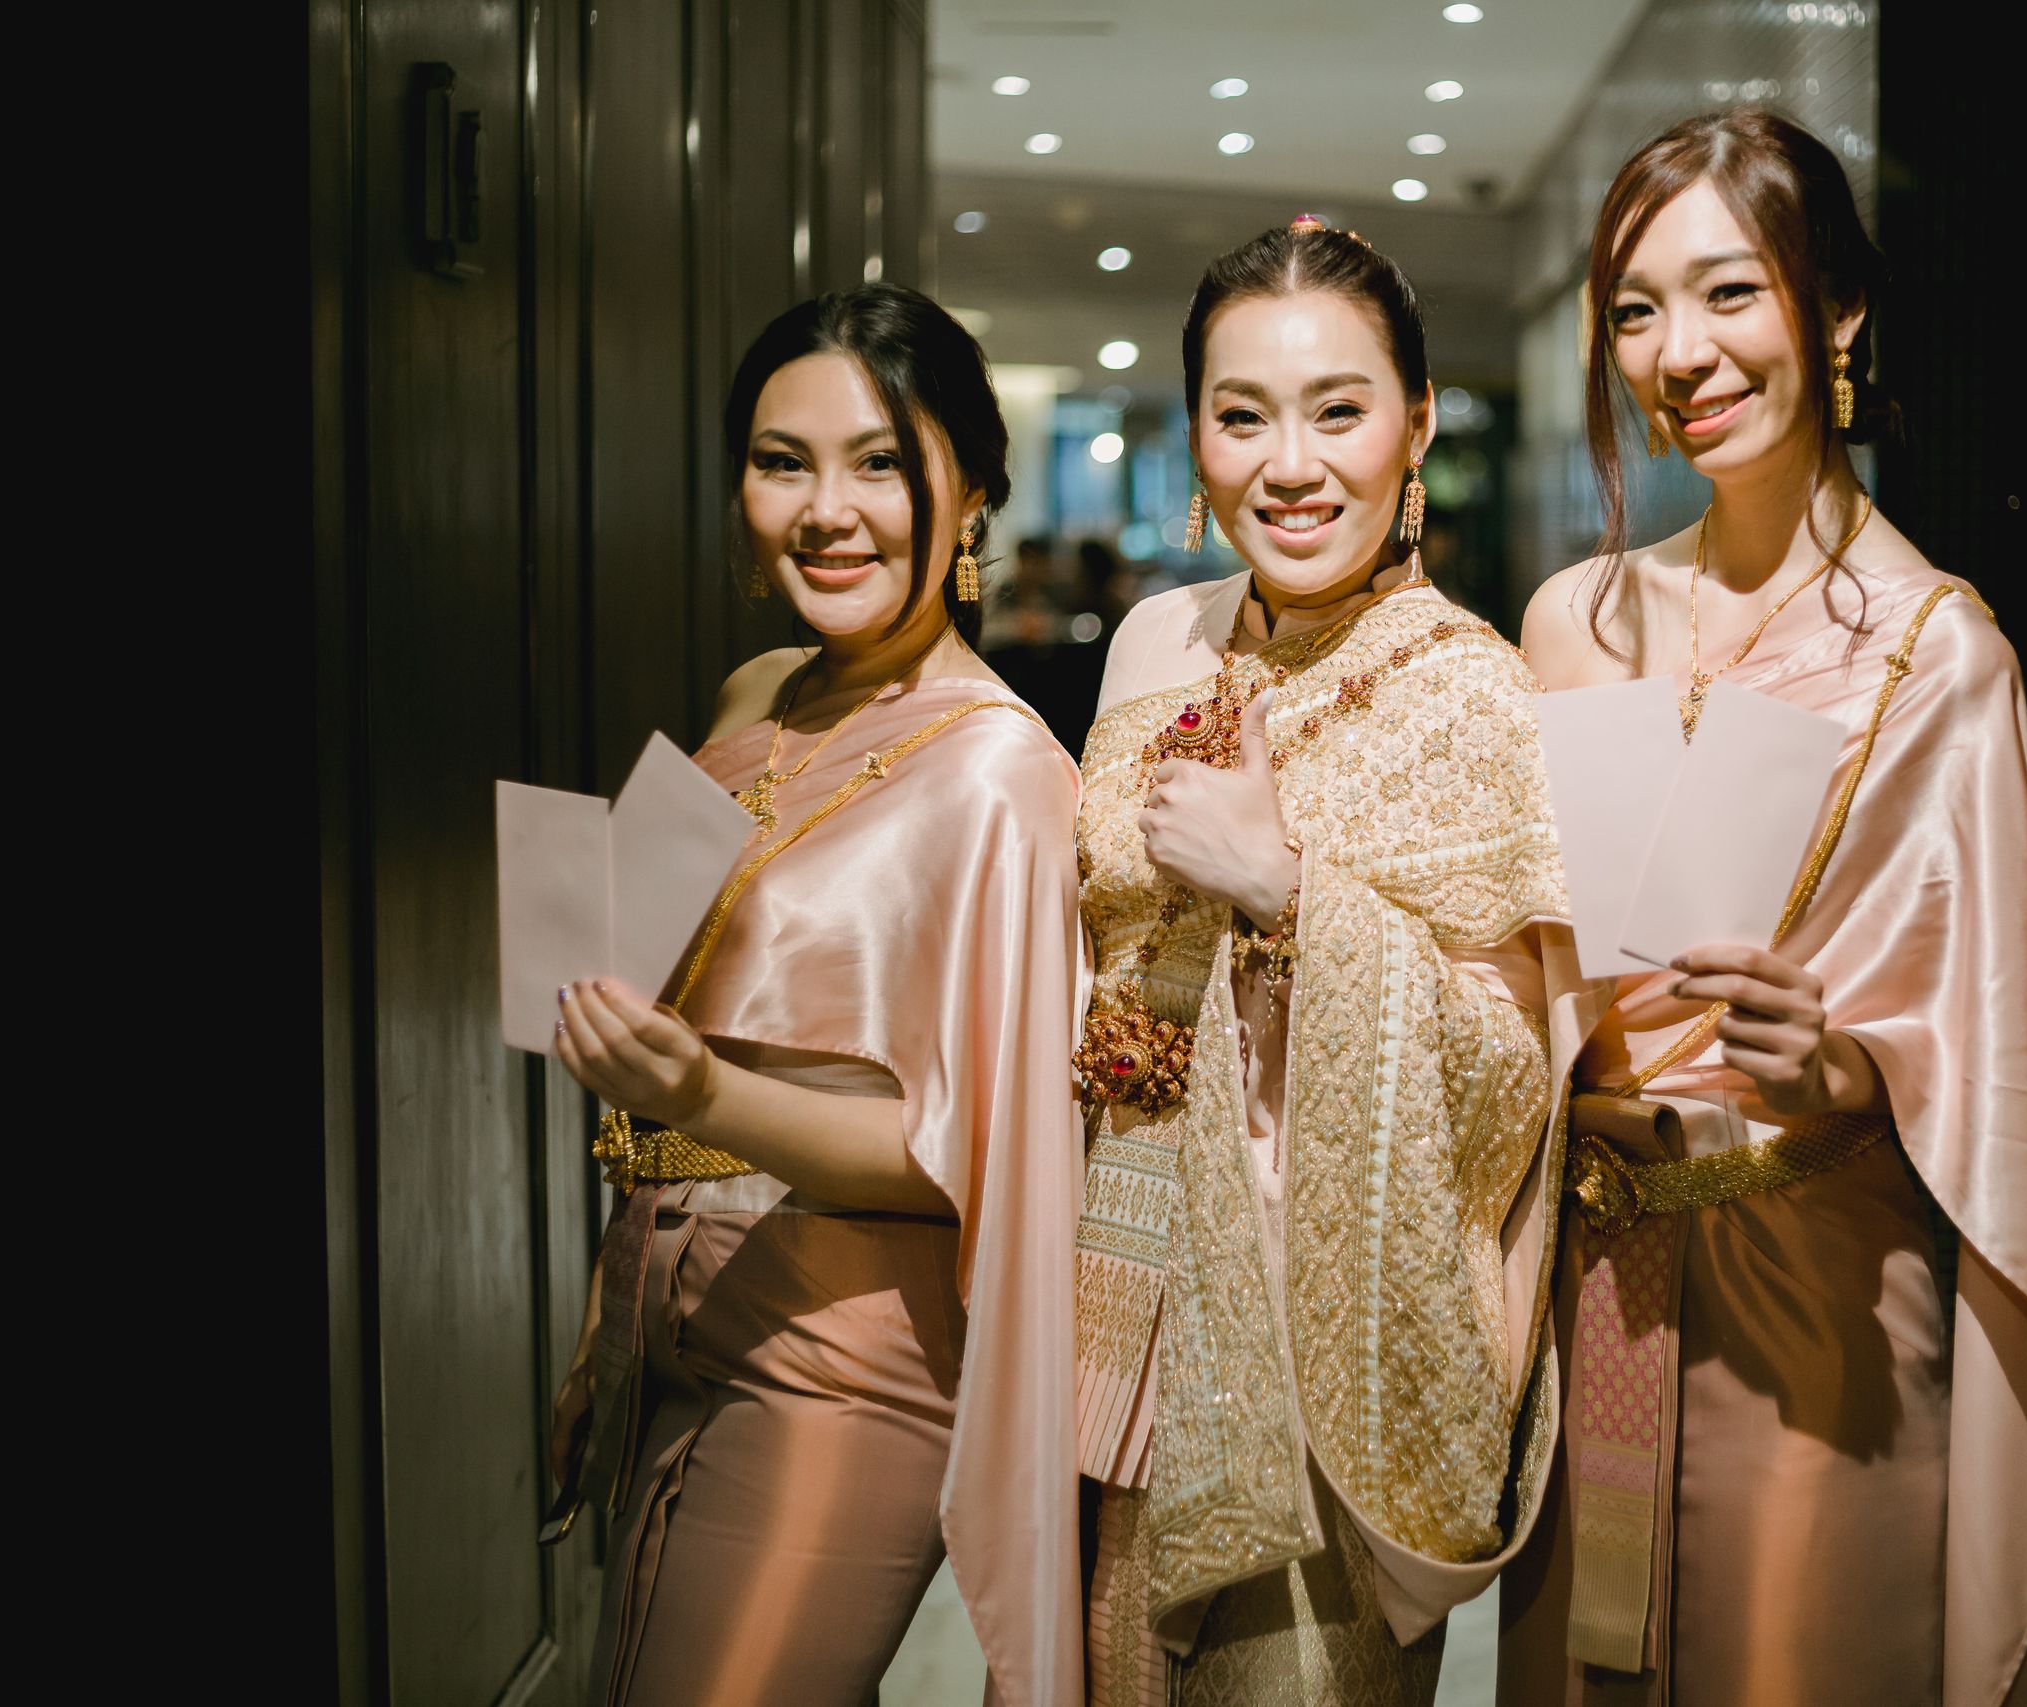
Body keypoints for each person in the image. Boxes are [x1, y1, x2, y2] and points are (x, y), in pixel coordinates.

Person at [1503, 109, 2027, 1706]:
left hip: (1816, 1285)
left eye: (1730, 293)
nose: (1680, 354)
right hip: (1595, 1286)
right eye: (1636, 311)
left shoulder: (1937, 654)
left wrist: (1831, 1061)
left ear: (1836, 312)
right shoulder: (1574, 622)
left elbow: (1991, 1063)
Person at [1072, 215, 1588, 1706]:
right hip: (1106, 1303)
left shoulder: (1475, 695)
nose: (1290, 465)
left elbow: (1512, 1084)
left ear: (1415, 425)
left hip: (1312, 1345)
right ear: (1195, 437)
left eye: (1338, 411)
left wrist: (1287, 892)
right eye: (1243, 416)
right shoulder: (1154, 644)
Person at [547, 284, 1086, 1706]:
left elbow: (976, 1158)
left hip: (842, 1355)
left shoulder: (1005, 774)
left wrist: (705, 1093)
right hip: (662, 1305)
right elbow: (639, 1000)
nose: (827, 510)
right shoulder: (751, 700)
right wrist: (606, 1316)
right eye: (782, 461)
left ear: (971, 495)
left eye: (880, 463)